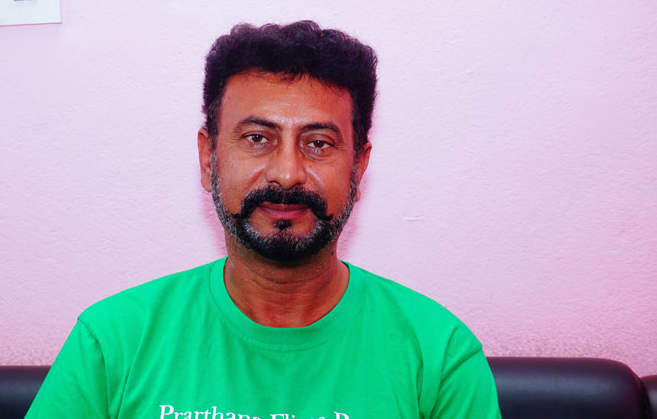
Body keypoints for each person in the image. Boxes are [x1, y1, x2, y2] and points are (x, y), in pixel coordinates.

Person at [26, 21, 500, 418]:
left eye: (318, 143)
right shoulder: (113, 342)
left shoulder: (439, 356)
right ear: (208, 158)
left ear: (358, 165)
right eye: (257, 138)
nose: (287, 173)